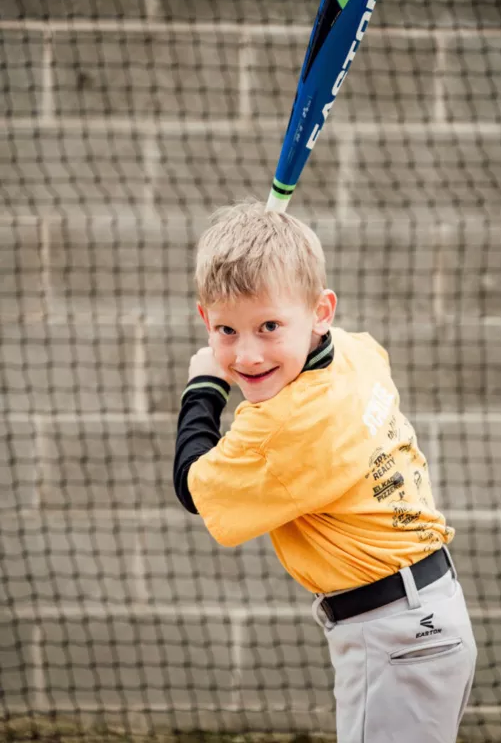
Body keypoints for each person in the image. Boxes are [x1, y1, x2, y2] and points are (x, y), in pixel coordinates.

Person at [173, 199, 477, 743]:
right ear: (205, 318)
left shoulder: (280, 428)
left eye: (269, 326)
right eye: (227, 330)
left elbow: (195, 485)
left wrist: (204, 385)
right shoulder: (355, 352)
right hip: (430, 620)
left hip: (396, 638)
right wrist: (275, 328)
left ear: (321, 311)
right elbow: (330, 359)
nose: (246, 354)